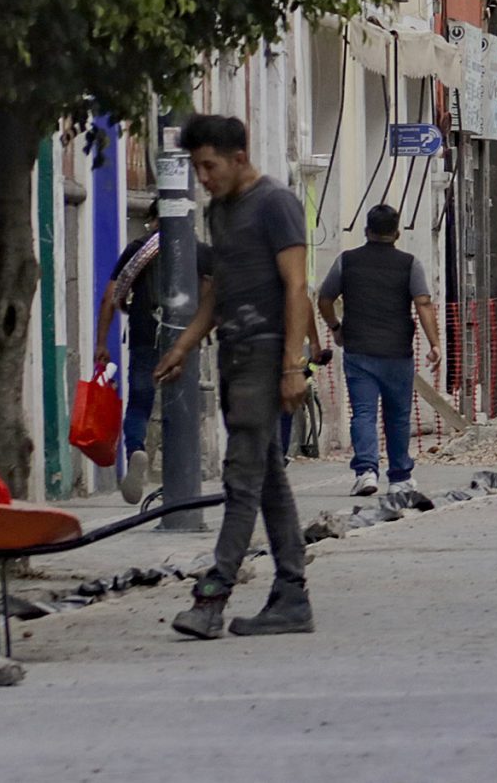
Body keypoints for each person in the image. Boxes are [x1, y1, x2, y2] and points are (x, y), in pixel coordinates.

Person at [158, 115, 315, 639]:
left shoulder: (276, 204)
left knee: (241, 478)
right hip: (233, 354)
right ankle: (292, 595)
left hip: (266, 357)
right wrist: (183, 344)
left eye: (210, 166)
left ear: (239, 158)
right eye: (197, 168)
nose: (203, 177)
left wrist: (294, 366)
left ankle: (213, 595)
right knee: (267, 476)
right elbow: (217, 293)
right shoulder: (219, 214)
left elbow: (297, 288)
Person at [315, 202, 439, 500]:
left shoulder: (347, 261)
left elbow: (324, 298)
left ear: (366, 231)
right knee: (397, 416)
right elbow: (422, 303)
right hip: (398, 352)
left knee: (364, 413)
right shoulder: (410, 264)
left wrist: (335, 328)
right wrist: (435, 343)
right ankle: (399, 477)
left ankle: (366, 472)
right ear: (397, 233)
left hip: (359, 351)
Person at [93, 215, 162, 504]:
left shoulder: (138, 248)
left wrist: (101, 342)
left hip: (144, 334)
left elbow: (111, 295)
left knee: (138, 404)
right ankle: (180, 474)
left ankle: (136, 448)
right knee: (180, 408)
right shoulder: (192, 249)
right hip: (184, 339)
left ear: (153, 219)